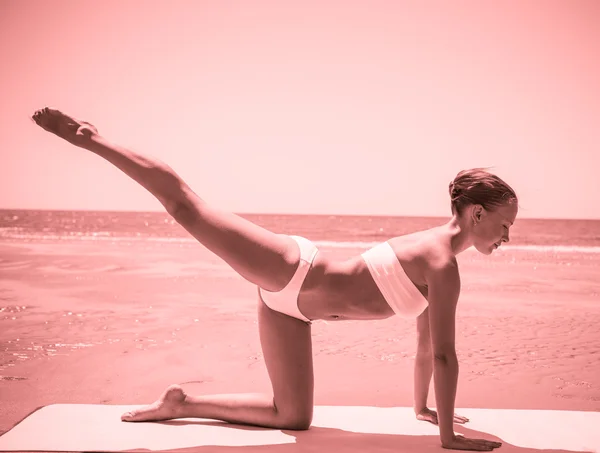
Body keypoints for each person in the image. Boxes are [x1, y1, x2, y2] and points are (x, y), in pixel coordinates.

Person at [32, 107, 514, 451]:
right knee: (185, 205)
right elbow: (447, 355)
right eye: (505, 223)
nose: (508, 235)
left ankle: (182, 402)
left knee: (293, 418)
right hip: (291, 268)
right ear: (475, 213)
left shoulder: (441, 257)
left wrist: (425, 411)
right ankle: (89, 138)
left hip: (293, 312)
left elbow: (427, 345)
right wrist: (448, 438)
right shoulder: (441, 262)